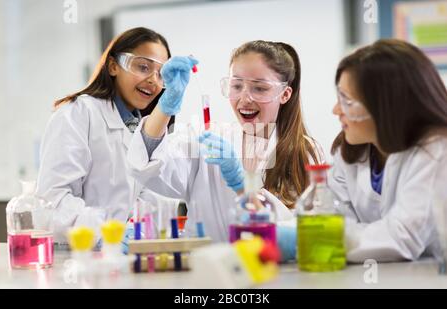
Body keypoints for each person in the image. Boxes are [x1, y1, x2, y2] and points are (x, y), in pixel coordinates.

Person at [127, 40, 321, 247]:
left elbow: (300, 232)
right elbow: (148, 167)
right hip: (210, 271)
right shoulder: (208, 140)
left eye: (260, 88)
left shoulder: (303, 152)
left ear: (284, 94)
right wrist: (166, 104)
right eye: (236, 86)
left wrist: (241, 184)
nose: (244, 98)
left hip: (277, 274)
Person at [36, 27, 178, 245]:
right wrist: (108, 234)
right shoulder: (78, 114)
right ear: (113, 66)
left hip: (130, 258)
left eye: (162, 74)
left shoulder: (145, 129)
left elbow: (146, 197)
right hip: (78, 260)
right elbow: (53, 202)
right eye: (143, 67)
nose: (153, 81)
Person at [328, 39, 447, 262]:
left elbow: (402, 237)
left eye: (347, 101)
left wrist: (316, 238)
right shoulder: (353, 151)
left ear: (386, 105)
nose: (336, 110)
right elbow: (329, 216)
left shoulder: (437, 149)